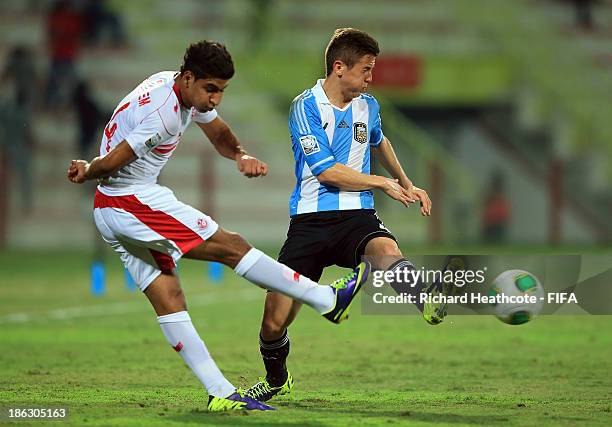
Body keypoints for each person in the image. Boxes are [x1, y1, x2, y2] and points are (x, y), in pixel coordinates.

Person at [66, 40, 370, 412]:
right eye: (211, 90)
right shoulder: (164, 113)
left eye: (221, 91)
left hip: (112, 208)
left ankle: (220, 391)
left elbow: (218, 131)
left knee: (170, 300)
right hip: (129, 198)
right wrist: (87, 169)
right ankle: (326, 300)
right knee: (232, 247)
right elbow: (114, 162)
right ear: (190, 77)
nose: (215, 100)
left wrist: (240, 155)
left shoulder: (175, 86)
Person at [245, 28, 459, 403]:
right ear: (339, 67)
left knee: (385, 251)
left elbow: (379, 141)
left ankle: (425, 297)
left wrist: (406, 182)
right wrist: (381, 181)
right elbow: (325, 171)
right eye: (366, 69)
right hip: (310, 222)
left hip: (356, 215)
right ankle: (277, 379)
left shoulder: (368, 106)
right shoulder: (305, 106)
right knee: (273, 322)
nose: (370, 77)